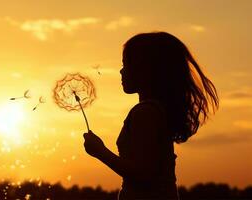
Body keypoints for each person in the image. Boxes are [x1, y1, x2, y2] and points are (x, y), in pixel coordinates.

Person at [82, 32, 219, 199]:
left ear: (145, 68)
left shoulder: (146, 113)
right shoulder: (156, 111)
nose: (121, 70)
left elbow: (142, 174)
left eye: (126, 64)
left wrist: (100, 151)